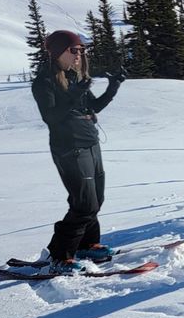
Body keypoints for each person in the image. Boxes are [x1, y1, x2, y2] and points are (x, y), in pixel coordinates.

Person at [30, 30, 126, 274]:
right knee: (84, 203)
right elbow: (51, 117)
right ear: (58, 51)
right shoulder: (44, 81)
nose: (79, 55)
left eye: (82, 51)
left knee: (96, 199)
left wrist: (112, 88)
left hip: (90, 142)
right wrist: (72, 97)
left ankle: (87, 244)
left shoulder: (73, 77)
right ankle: (60, 255)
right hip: (69, 148)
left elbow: (93, 106)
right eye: (74, 50)